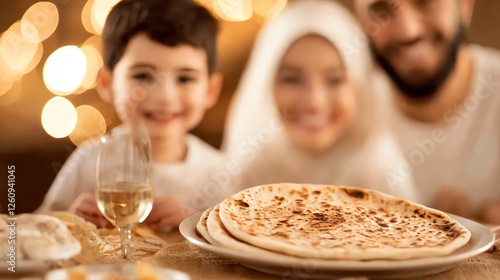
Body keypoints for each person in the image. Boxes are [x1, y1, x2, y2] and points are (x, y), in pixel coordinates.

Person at [37, 0, 230, 229]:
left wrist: (197, 224)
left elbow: (235, 238)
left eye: (185, 78)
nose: (165, 97)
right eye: (143, 77)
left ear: (211, 90)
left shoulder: (222, 172)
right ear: (106, 83)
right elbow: (38, 226)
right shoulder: (89, 161)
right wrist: (69, 220)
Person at [222, 0, 419, 201]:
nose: (315, 102)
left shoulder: (379, 170)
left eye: (335, 80)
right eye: (292, 79)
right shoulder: (248, 171)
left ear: (359, 87)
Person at [354, 0, 500, 223]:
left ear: (464, 5)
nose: (408, 31)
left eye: (425, 2)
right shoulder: (342, 108)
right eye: (381, 10)